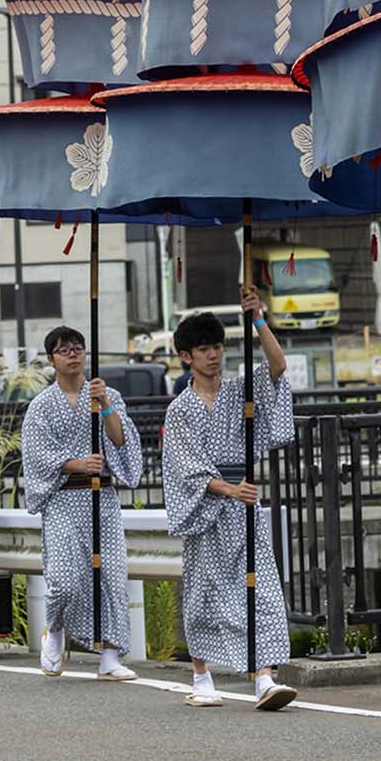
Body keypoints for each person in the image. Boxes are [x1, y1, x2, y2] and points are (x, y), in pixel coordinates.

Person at [162, 289, 297, 711]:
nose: (213, 356)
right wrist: (226, 488)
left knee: (262, 590)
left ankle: (264, 677)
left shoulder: (243, 391)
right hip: (208, 509)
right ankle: (201, 674)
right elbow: (185, 465)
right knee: (204, 592)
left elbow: (278, 366)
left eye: (217, 347)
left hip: (244, 503)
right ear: (186, 356)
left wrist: (257, 318)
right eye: (203, 349)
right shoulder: (181, 409)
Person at [22, 325, 144, 680]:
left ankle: (110, 655)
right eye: (64, 350)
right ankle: (56, 628)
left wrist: (105, 405)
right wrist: (76, 463)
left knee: (111, 575)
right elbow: (37, 454)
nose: (73, 354)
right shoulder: (42, 406)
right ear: (51, 359)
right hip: (63, 498)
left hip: (101, 498)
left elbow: (121, 442)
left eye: (78, 348)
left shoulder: (106, 394)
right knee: (64, 579)